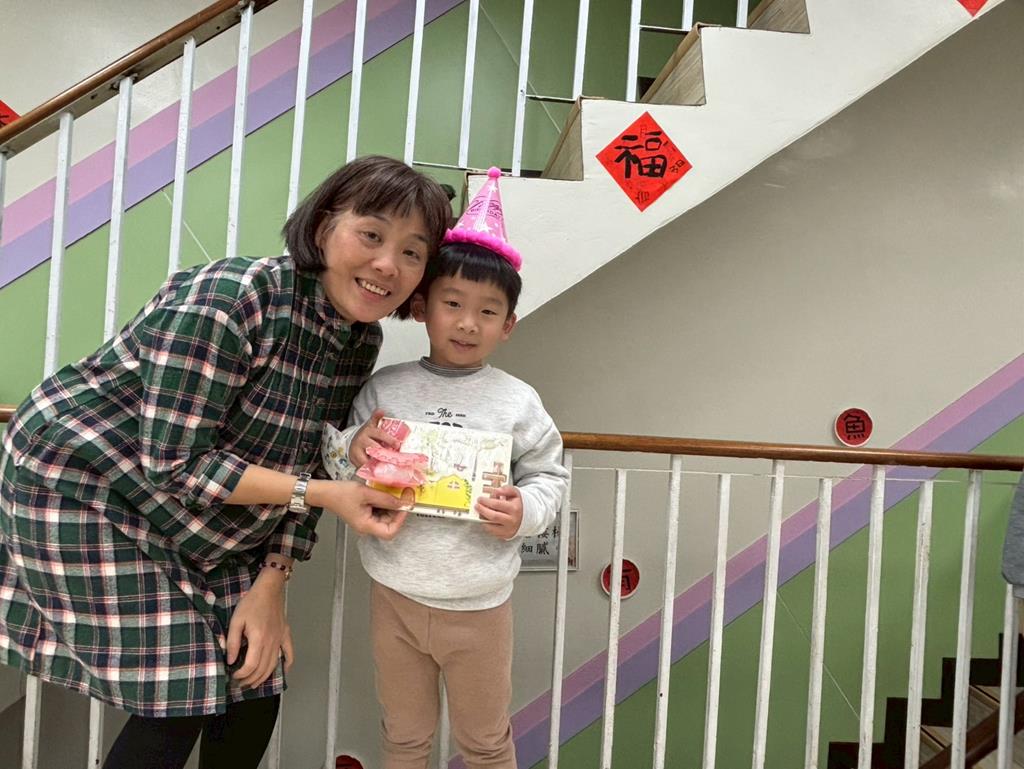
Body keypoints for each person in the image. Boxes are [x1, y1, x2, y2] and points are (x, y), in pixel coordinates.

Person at [0, 155, 451, 769]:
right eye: (371, 235)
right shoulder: (232, 297)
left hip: (198, 515)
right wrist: (326, 494)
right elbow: (177, 465)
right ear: (324, 226)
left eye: (412, 252)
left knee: (255, 683)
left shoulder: (357, 340)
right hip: (79, 484)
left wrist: (273, 582)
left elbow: (313, 462)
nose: (387, 265)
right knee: (180, 693)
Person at [327, 168, 570, 769]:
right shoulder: (385, 388)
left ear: (507, 325)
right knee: (404, 736)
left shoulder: (517, 401)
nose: (467, 322)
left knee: (484, 742)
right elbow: (340, 462)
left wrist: (523, 510)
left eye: (488, 311)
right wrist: (355, 450)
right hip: (394, 593)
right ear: (422, 308)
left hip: (480, 604)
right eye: (453, 304)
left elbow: (549, 477)